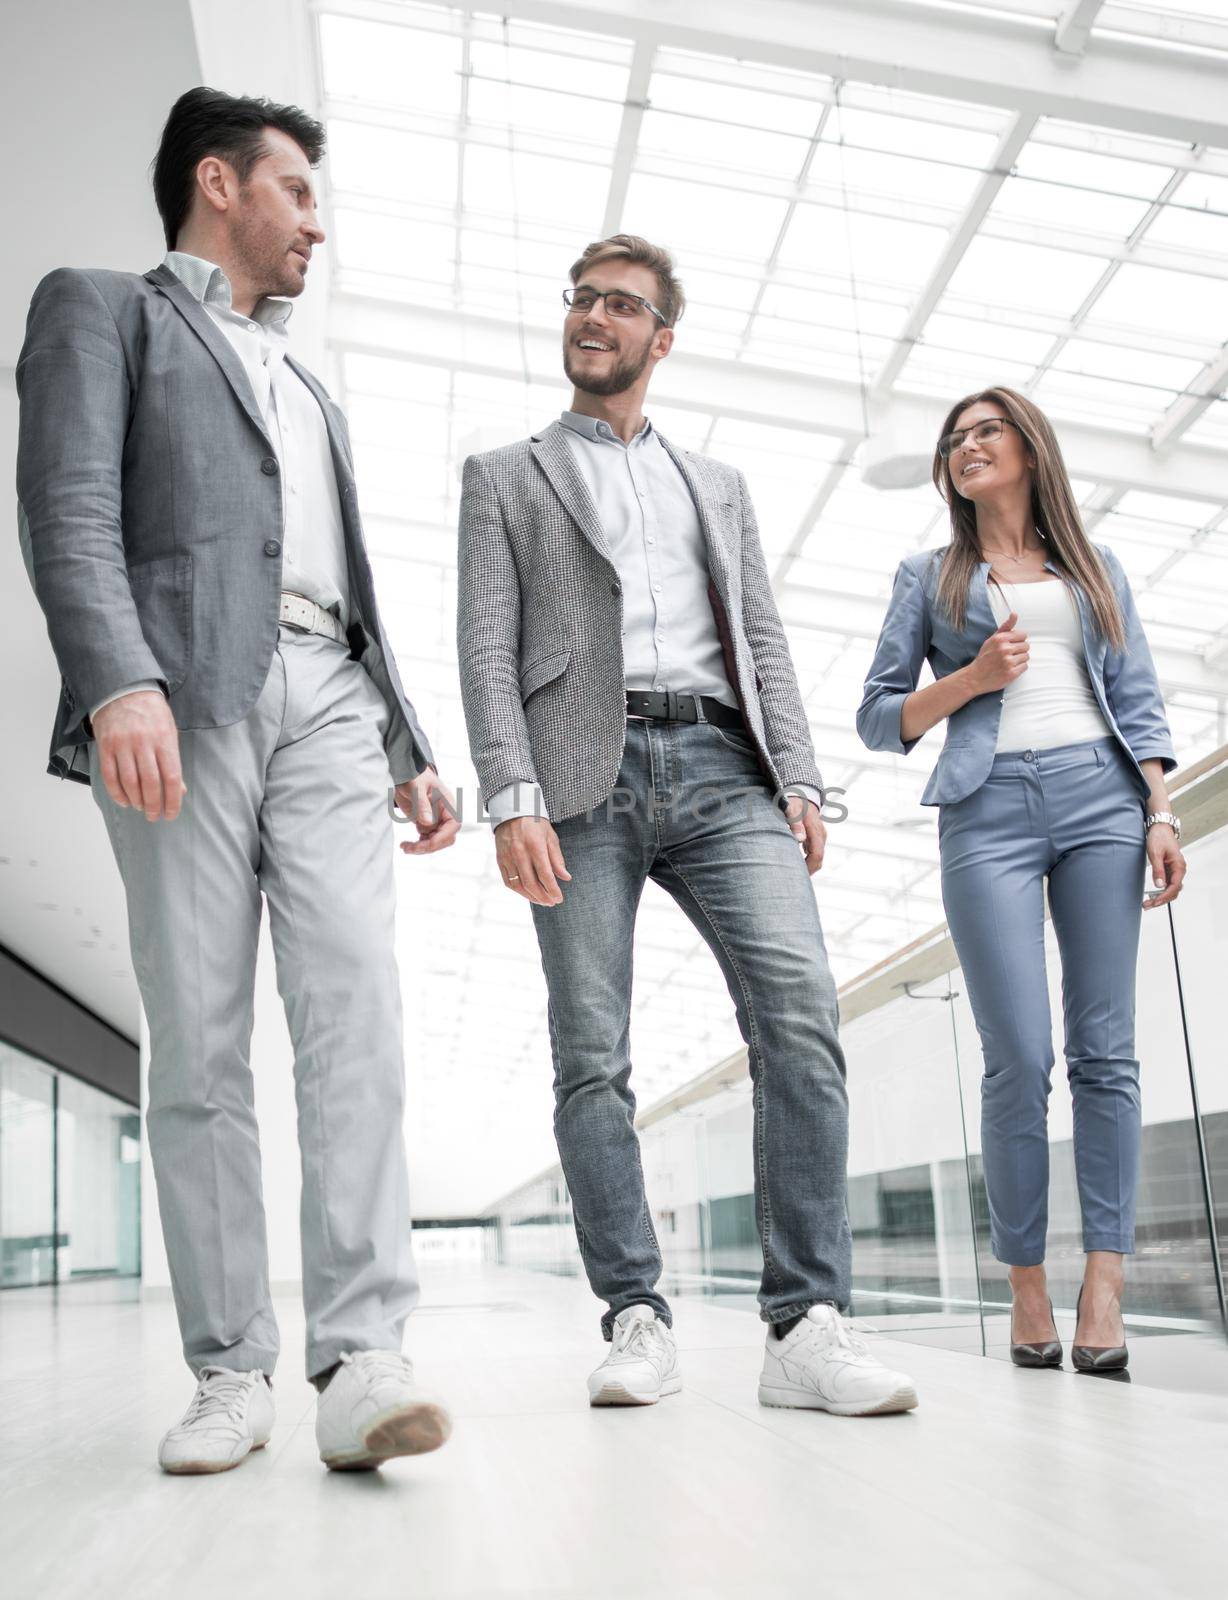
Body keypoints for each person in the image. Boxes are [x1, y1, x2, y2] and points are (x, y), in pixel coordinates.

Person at [16, 87, 460, 1472]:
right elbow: (69, 501)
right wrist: (117, 678)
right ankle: (231, 1368)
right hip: (183, 689)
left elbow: (339, 569)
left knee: (356, 1009)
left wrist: (410, 739)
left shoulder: (306, 378)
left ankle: (361, 1351)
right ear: (222, 184)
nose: (316, 225)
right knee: (200, 1035)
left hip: (334, 697)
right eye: (300, 195)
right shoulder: (103, 306)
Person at [457, 233, 917, 1417]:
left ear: (662, 338)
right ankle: (635, 1316)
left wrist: (802, 779)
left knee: (801, 1021)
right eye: (582, 300)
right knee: (590, 1057)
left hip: (725, 768)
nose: (593, 317)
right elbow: (485, 645)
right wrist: (510, 796)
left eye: (621, 305)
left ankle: (804, 1323)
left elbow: (759, 633)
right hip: (577, 780)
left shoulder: (717, 483)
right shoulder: (505, 474)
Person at [857, 387, 1185, 1374]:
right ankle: (1026, 1285)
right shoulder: (927, 576)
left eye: (984, 432)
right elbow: (880, 718)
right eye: (954, 439)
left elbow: (1140, 696)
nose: (966, 447)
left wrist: (1160, 811)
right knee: (1017, 1056)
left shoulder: (1094, 568)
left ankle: (1103, 1284)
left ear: (1029, 449)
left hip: (1101, 802)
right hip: (985, 809)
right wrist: (968, 680)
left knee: (1105, 1053)